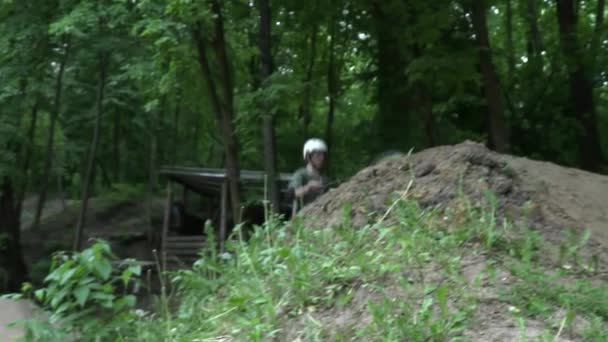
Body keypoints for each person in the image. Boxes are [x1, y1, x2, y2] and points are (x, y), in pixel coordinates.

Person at [288, 138, 330, 216]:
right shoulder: (300, 174)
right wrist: (308, 187)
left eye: (323, 154)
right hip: (300, 220)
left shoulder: (325, 179)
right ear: (308, 156)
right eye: (318, 155)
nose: (322, 158)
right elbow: (291, 194)